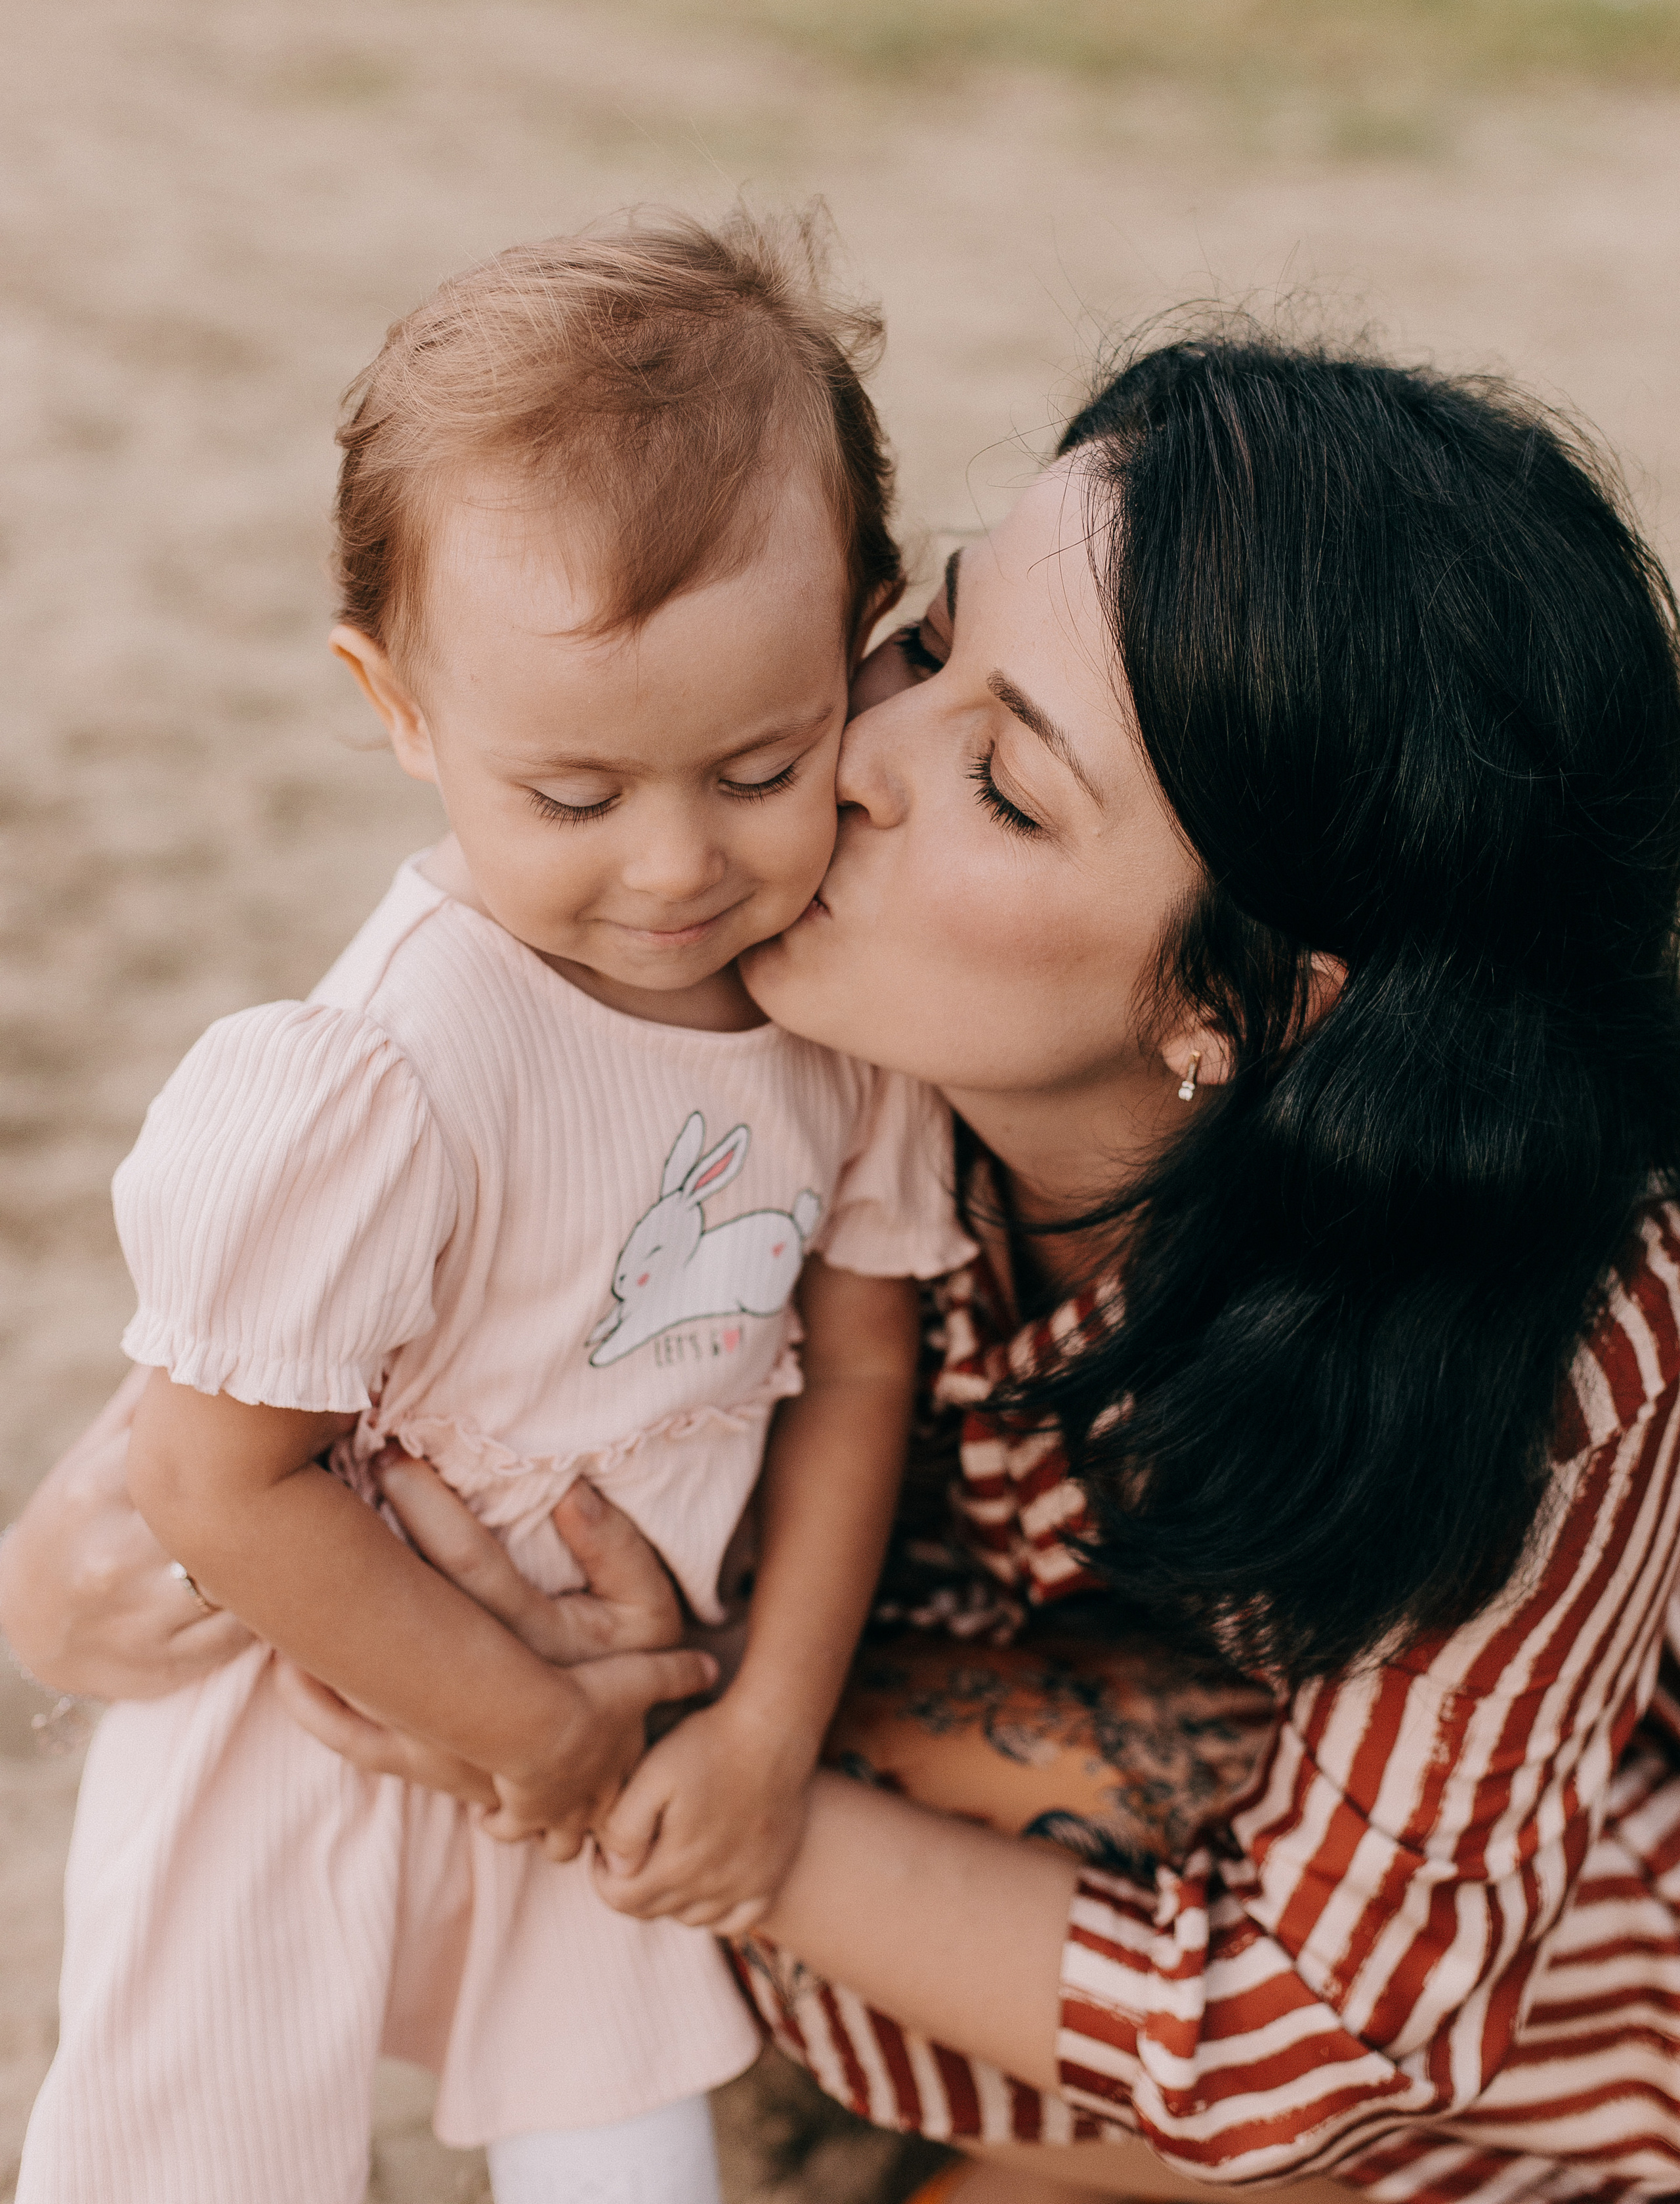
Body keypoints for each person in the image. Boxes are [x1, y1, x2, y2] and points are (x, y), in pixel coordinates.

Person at [9, 326, 1680, 2204]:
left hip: (1425, 2064)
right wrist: (110, 1585)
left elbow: (1322, 2027)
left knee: (1186, 1758)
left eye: (1010, 786)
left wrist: (666, 1757)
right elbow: (140, 1524)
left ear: (1248, 1010)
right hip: (791, 1927)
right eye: (928, 637)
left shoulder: (1559, 1342)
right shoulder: (705, 992)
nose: (851, 757)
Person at [3, 206, 975, 2204]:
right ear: (400, 709)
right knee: (206, 2154)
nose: (677, 866)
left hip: (629, 1725)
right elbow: (217, 1481)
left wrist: (766, 1726)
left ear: (862, 638)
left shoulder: (844, 1019)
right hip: (320, 1723)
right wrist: (517, 1723)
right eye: (574, 795)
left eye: (762, 762)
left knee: (622, 2164)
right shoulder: (383, 1073)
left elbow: (861, 1355)